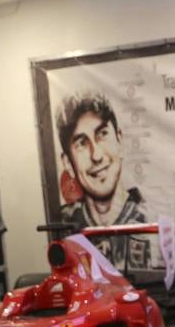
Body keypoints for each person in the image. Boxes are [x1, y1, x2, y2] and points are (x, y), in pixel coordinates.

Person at [56, 93, 151, 269]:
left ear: (120, 141)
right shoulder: (64, 226)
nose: (97, 155)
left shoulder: (151, 219)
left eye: (102, 134)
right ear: (68, 163)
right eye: (82, 143)